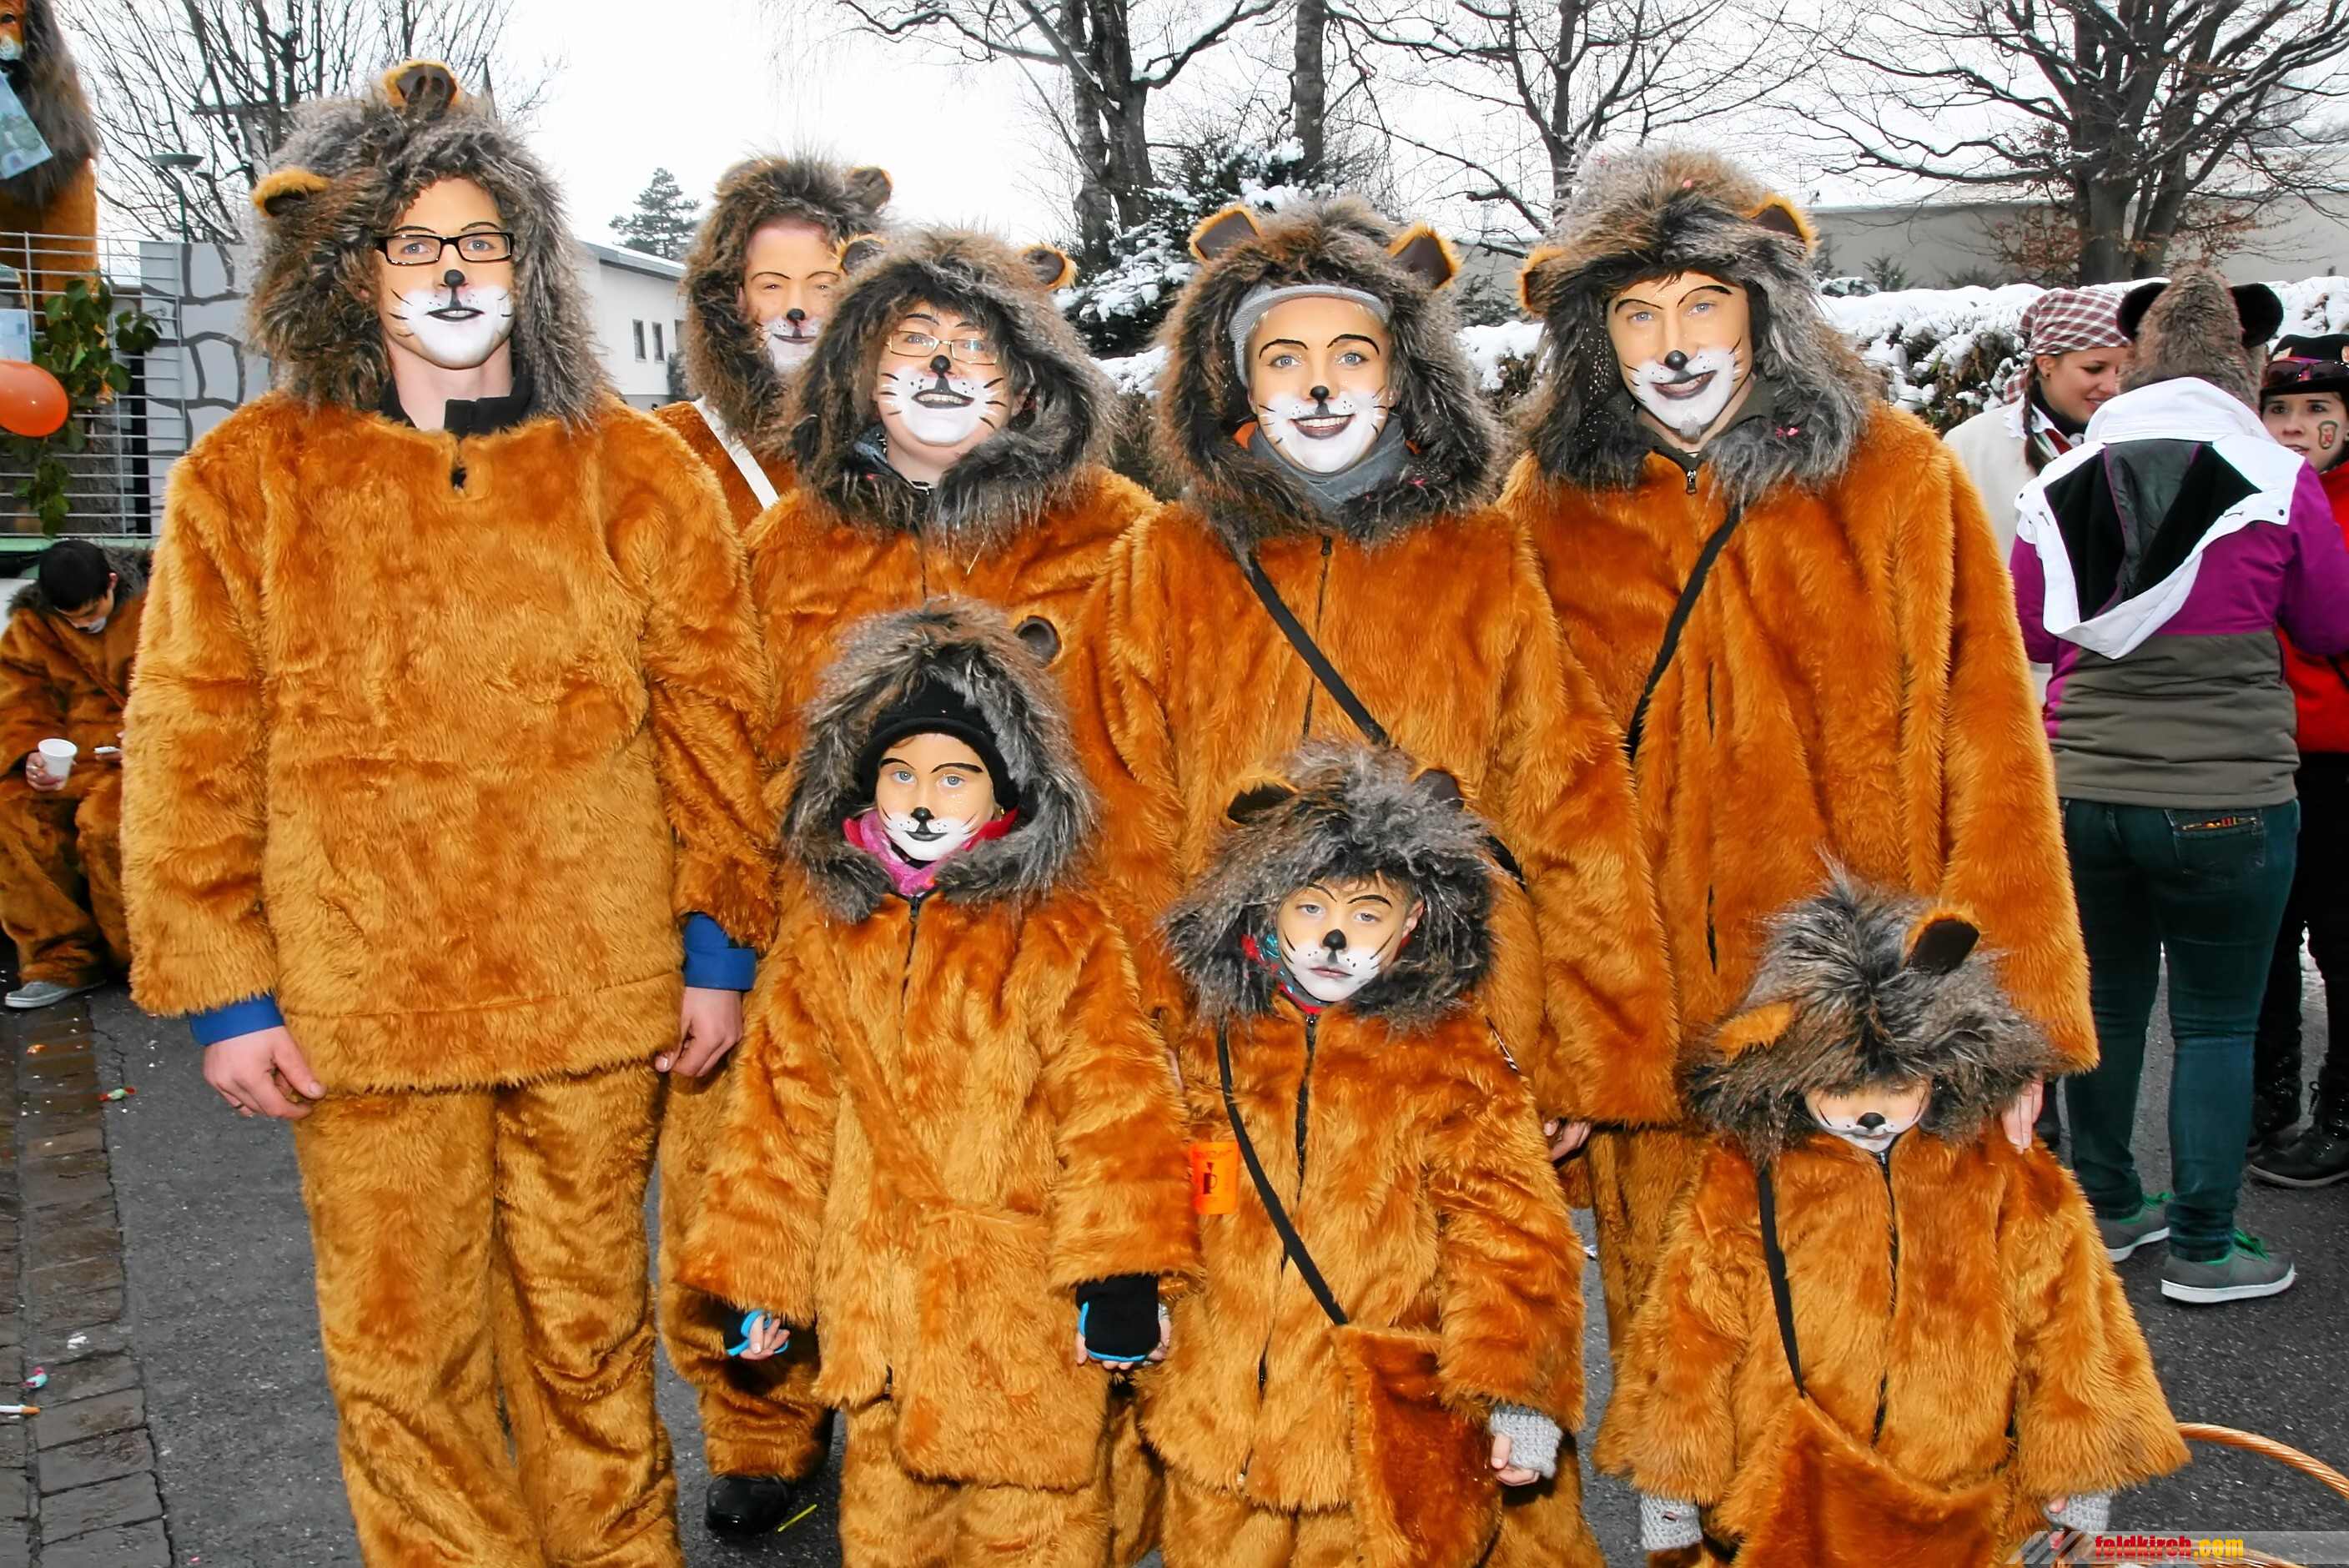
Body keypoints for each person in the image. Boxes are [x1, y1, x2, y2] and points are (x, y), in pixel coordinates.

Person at [119, 63, 773, 1565]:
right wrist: (227, 993)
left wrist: (718, 949)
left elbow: (719, 721)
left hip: (596, 996)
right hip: (365, 1008)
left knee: (589, 1341)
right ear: (349, 269)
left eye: (480, 239)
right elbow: (191, 741)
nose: (454, 271)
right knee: (403, 1358)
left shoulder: (633, 469)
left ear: (527, 259)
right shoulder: (251, 476)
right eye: (413, 243)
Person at [1502, 144, 2091, 1349]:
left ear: (1762, 307)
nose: (1674, 343)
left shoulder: (1892, 474)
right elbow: (1512, 792)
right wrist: (1546, 1038)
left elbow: (1989, 746)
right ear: (1592, 334)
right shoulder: (1546, 506)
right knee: (1679, 1362)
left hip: (1862, 1022)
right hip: (1652, 1028)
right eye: (1636, 313)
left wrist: (2017, 1023)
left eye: (1703, 303)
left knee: (1867, 1350)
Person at [740, 223, 1168, 1560]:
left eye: (972, 346)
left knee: (1071, 1298)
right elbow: (739, 749)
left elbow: (1165, 749)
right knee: (875, 1255)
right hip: (859, 962)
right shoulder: (789, 543)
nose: (938, 367)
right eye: (911, 343)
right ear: (859, 369)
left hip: (1064, 969)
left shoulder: (1120, 530)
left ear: (1029, 374)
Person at [681, 601, 1195, 1568]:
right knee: (887, 1531)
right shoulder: (829, 934)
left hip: (1021, 1314)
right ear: (860, 781)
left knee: (1033, 1530)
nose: (921, 800)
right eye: (900, 773)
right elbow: (777, 1120)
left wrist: (1120, 1277)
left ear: (1004, 790)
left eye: (953, 776)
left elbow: (1119, 1109)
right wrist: (761, 1280)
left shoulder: (1060, 930)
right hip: (875, 1312)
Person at [1601, 877, 2185, 1568]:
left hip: (1964, 1493)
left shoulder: (1999, 1171)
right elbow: (1691, 1332)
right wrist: (1673, 1486)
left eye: (1900, 1085)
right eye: (1841, 1086)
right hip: (1793, 1493)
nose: (1871, 1112)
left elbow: (2071, 1322)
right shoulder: (1746, 1175)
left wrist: (2082, 1471)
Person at [1145, 744, 1594, 1568]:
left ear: (1411, 922)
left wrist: (1519, 1392)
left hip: (1358, 1430)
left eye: (1366, 913)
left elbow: (1513, 1226)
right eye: (1311, 906)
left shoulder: (1450, 1053)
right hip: (1213, 1414)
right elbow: (1163, 1176)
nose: (1333, 936)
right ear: (1266, 904)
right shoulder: (1215, 1037)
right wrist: (1147, 1290)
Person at [2011, 269, 2349, 1304]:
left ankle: (2110, 1207)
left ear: (2137, 364)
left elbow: (2031, 631)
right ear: (2241, 369)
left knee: (2106, 1004)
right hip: (2228, 792)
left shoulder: (2061, 478)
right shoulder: (2273, 476)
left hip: (2084, 788)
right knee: (2214, 1021)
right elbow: (2330, 625)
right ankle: (2203, 1244)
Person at [653, 152, 893, 1541]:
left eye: (827, 277)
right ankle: (758, 1420)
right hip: (732, 857)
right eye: (770, 281)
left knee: (889, 1147)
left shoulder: (913, 436)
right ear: (728, 302)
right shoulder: (671, 455)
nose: (799, 305)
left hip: (892, 862)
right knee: (735, 1163)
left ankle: (900, 1387)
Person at [2249, 334, 2349, 1184]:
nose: (2294, 425)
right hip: (2257, 758)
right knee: (2266, 940)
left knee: (2341, 944)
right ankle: (2265, 1094)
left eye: (2318, 407)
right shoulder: (2244, 502)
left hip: (2339, 764)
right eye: (2276, 407)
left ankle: (2341, 1110)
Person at [0, 538, 141, 1008]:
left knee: (105, 823)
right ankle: (62, 958)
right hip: (73, 755)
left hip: (143, 754)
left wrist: (147, 736)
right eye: (71, 618)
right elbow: (18, 699)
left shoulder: (163, 608)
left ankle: (139, 957)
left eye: (91, 613)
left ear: (112, 584)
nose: (83, 624)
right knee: (11, 812)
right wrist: (31, 754)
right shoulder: (31, 628)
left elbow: (193, 685)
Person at [1944, 286, 2132, 555]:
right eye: (2094, 369)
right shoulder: (1971, 445)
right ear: (2046, 364)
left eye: (2125, 371)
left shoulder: (2143, 442)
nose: (2112, 385)